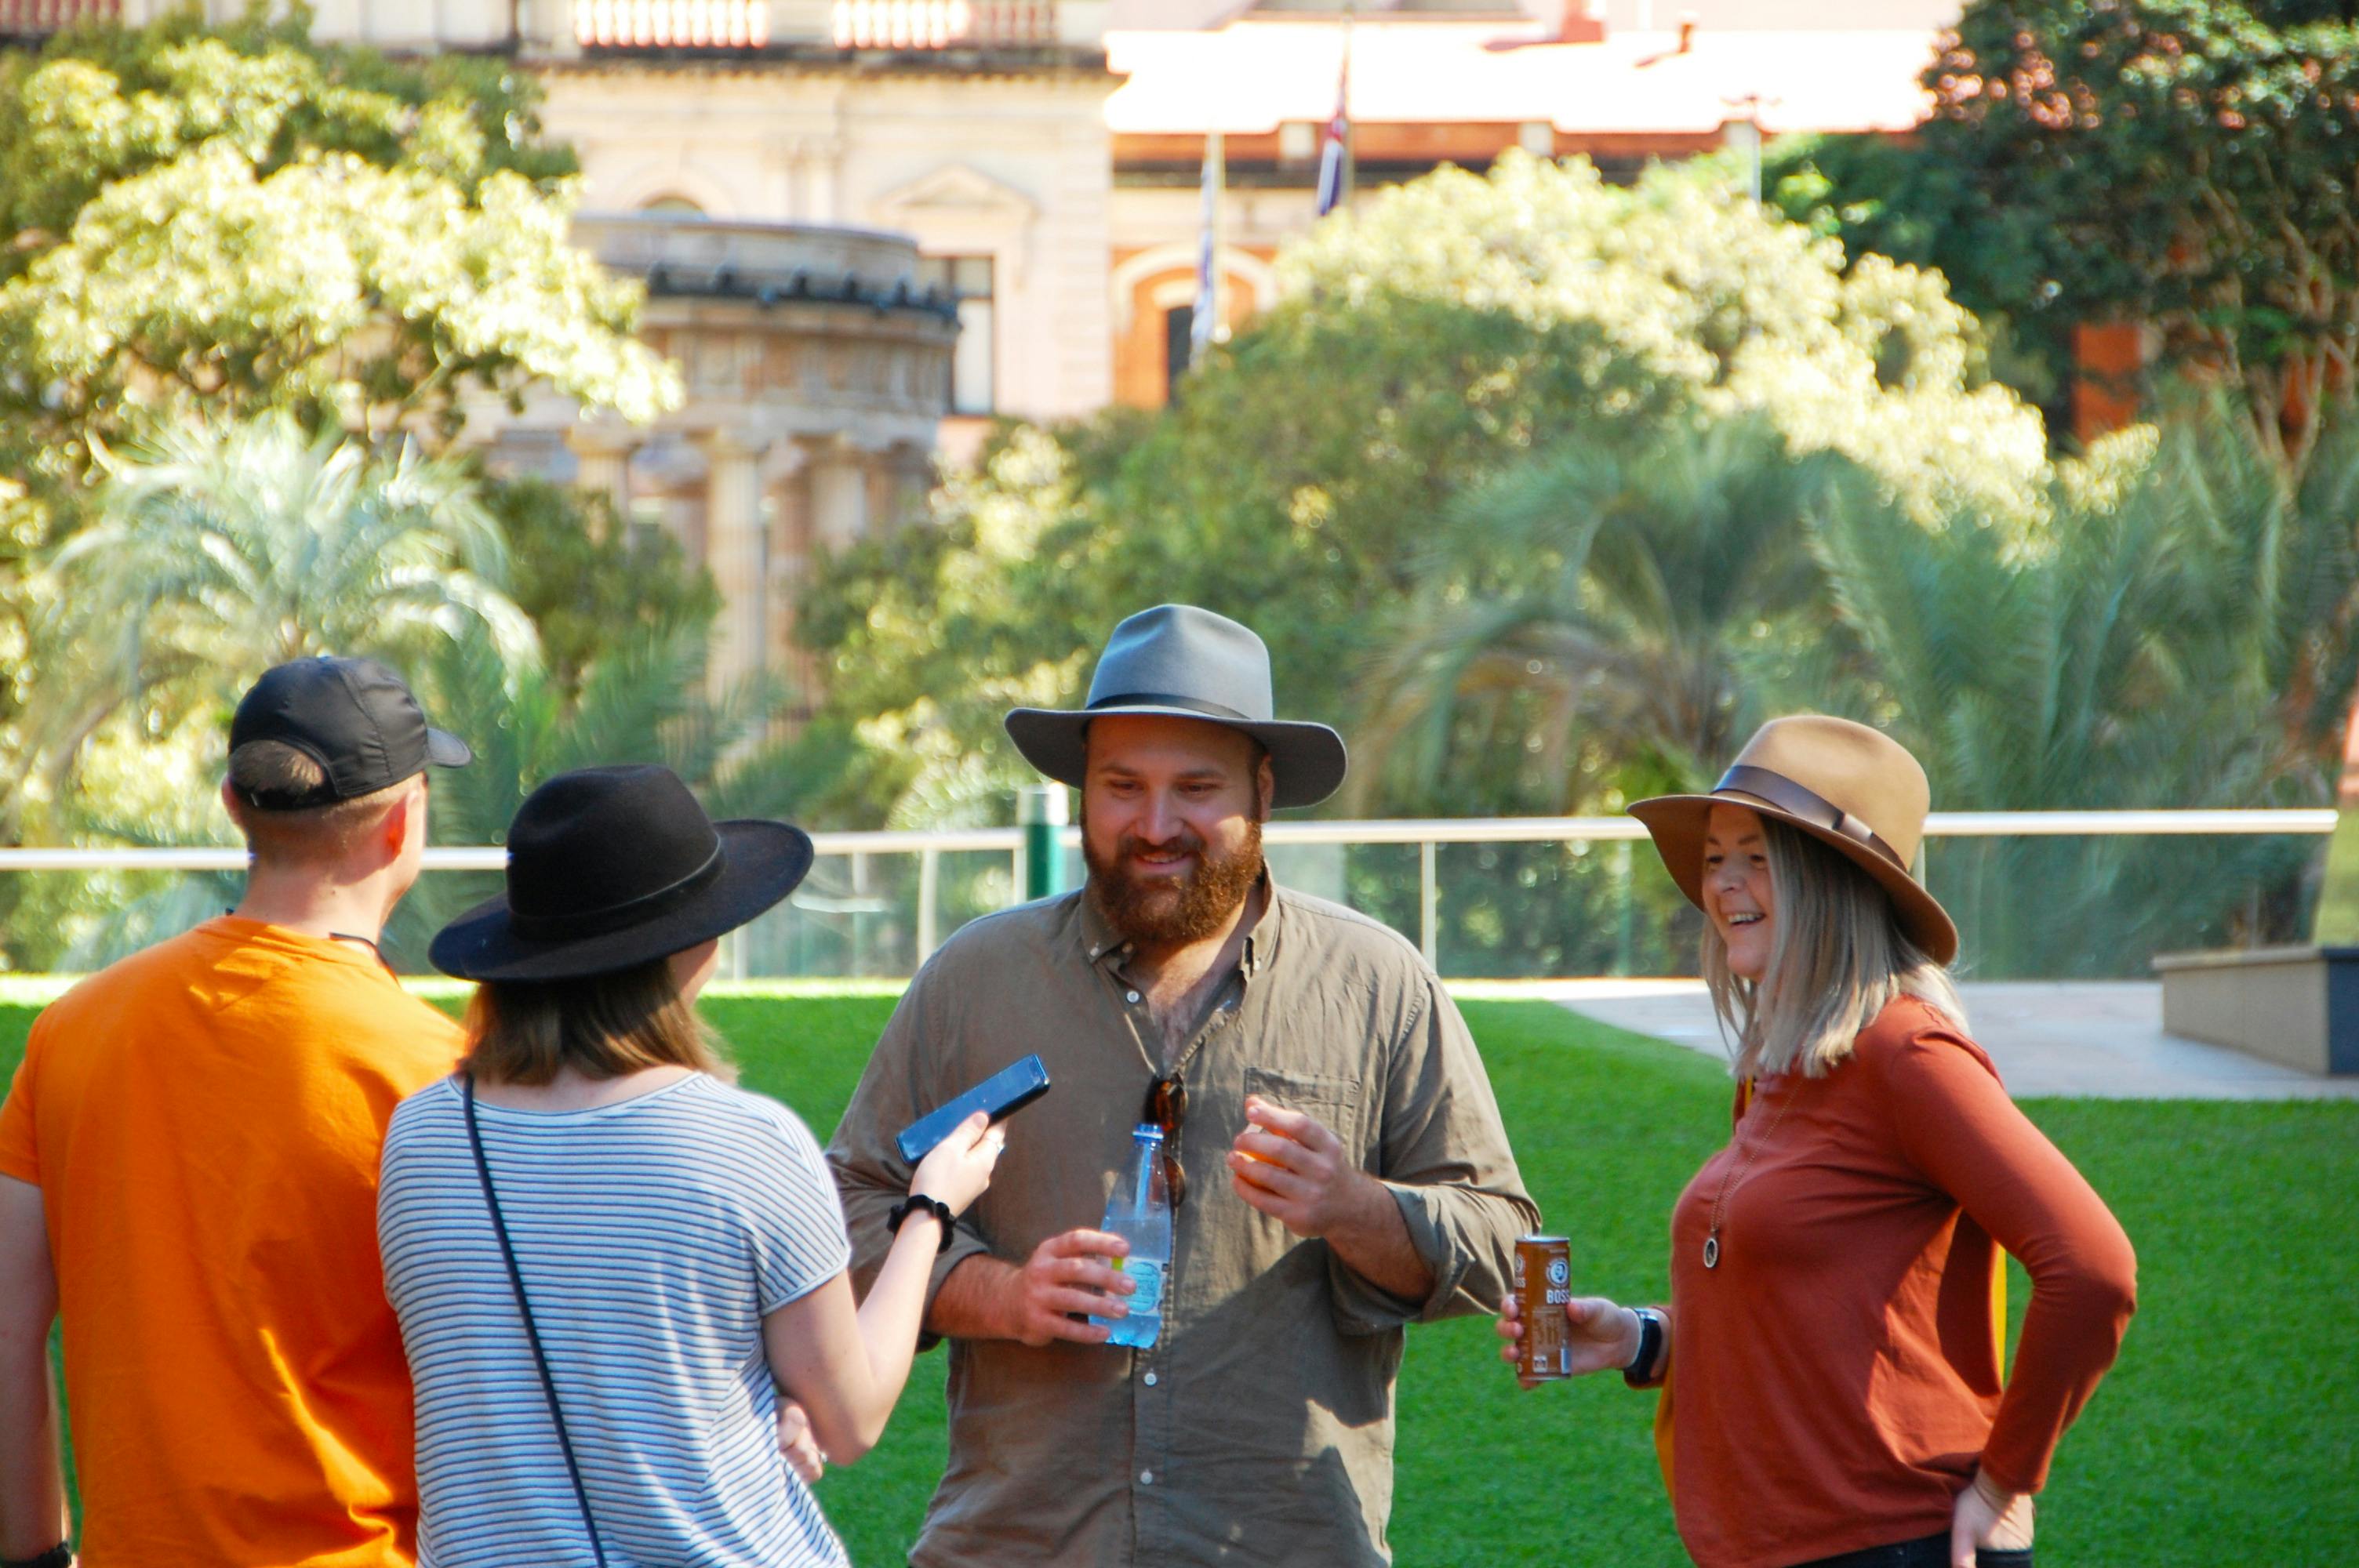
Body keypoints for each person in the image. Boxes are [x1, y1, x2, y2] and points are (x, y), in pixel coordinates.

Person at [826, 603, 1539, 1566]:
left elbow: (1504, 1243)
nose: (1155, 825)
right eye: (1122, 785)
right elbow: (842, 1214)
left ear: (1263, 790)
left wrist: (1355, 1205)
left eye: (1195, 787)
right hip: (1019, 1542)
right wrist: (1000, 1293)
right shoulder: (974, 980)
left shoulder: (1377, 984)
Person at [1498, 715, 2138, 1568]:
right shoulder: (1775, 1067)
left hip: (1890, 1541)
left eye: (1757, 854)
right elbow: (1808, 1313)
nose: (1723, 882)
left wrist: (2003, 1480)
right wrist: (1641, 1336)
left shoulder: (1907, 1053)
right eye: (1715, 855)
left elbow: (2092, 1268)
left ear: (1830, 878)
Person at [377, 764, 1005, 1568]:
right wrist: (931, 1209)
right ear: (692, 944)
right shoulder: (747, 1141)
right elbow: (852, 1419)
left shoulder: (421, 1135)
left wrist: (755, 1398)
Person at [0, 656, 474, 1568]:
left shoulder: (71, 1031)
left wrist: (31, 1555)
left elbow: (9, 1324)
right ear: (404, 820)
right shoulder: (437, 1068)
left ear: (234, 802)